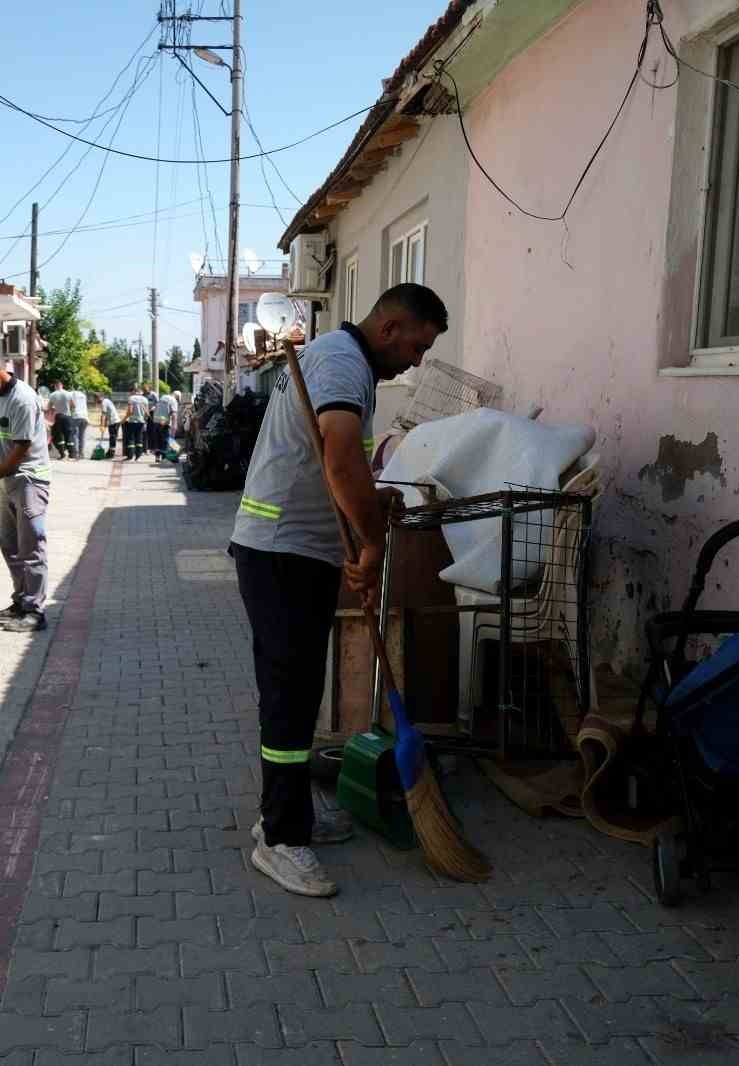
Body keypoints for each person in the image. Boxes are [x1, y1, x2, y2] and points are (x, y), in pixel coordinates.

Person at [230, 283, 449, 897]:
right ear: (390, 328)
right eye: (418, 345)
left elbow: (337, 466)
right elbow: (339, 457)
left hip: (299, 548)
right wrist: (372, 540)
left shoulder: (338, 361)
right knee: (289, 696)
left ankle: (286, 811)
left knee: (299, 692)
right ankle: (280, 840)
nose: (418, 360)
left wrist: (370, 503)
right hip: (281, 553)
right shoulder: (343, 361)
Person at [0, 348, 51, 633]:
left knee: (31, 546)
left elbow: (21, 447)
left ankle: (35, 611)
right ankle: (20, 601)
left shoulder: (23, 399)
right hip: (9, 481)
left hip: (29, 479)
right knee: (10, 545)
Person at [46, 380, 75, 459]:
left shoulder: (52, 395)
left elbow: (49, 407)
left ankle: (62, 454)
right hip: (67, 416)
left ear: (55, 386)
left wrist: (53, 408)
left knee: (59, 435)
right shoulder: (68, 393)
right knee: (69, 435)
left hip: (58, 416)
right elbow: (73, 405)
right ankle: (71, 455)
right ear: (61, 385)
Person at [123, 388, 149, 460]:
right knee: (139, 438)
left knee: (131, 438)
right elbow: (147, 413)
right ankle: (138, 456)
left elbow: (130, 411)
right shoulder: (145, 399)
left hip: (132, 422)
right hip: (141, 422)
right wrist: (145, 420)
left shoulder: (131, 398)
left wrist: (124, 419)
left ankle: (130, 456)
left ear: (135, 392)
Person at [70, 385, 90, 461]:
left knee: (75, 435)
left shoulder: (72, 394)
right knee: (82, 436)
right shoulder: (83, 395)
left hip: (76, 416)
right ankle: (81, 453)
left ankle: (76, 453)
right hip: (85, 417)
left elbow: (72, 405)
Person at [97, 392, 120, 458]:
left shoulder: (104, 402)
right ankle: (110, 451)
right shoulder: (106, 401)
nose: (96, 401)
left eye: (96, 399)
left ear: (100, 397)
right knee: (112, 437)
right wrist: (105, 424)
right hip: (114, 421)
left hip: (114, 421)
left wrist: (102, 425)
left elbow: (103, 415)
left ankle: (111, 453)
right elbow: (106, 415)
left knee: (112, 437)